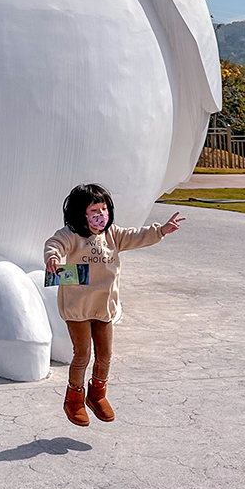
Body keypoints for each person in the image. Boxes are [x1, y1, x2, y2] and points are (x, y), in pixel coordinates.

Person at [44, 182, 183, 426]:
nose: (101, 215)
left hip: (104, 307)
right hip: (78, 308)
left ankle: (97, 394)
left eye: (104, 209)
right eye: (94, 211)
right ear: (81, 213)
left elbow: (136, 236)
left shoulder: (113, 235)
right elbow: (54, 243)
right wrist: (53, 257)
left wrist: (161, 230)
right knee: (82, 355)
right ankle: (74, 399)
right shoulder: (72, 234)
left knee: (105, 355)